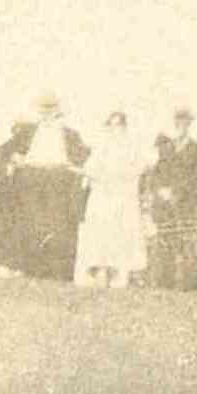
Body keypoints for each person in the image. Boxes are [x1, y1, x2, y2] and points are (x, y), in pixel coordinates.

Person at [0, 94, 87, 281]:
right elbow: (6, 151)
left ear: (59, 112)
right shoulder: (27, 131)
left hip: (58, 179)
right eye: (44, 109)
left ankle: (54, 271)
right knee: (28, 222)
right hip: (31, 176)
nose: (48, 114)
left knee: (56, 223)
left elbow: (82, 157)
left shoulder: (70, 134)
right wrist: (15, 157)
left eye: (52, 109)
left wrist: (71, 166)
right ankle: (24, 267)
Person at [74, 110, 146, 287]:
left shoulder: (131, 148)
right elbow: (90, 168)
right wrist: (97, 176)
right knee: (100, 233)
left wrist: (119, 178)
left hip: (122, 198)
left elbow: (138, 169)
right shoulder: (101, 148)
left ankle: (120, 274)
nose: (116, 130)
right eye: (112, 125)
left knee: (121, 235)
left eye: (119, 125)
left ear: (124, 127)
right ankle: (100, 271)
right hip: (102, 196)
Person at [144, 111, 197, 290]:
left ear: (189, 125)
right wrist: (161, 191)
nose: (181, 126)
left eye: (185, 123)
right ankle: (164, 283)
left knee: (188, 245)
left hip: (187, 203)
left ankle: (186, 285)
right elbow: (157, 173)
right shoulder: (165, 147)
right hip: (165, 204)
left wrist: (177, 193)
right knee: (165, 242)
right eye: (178, 123)